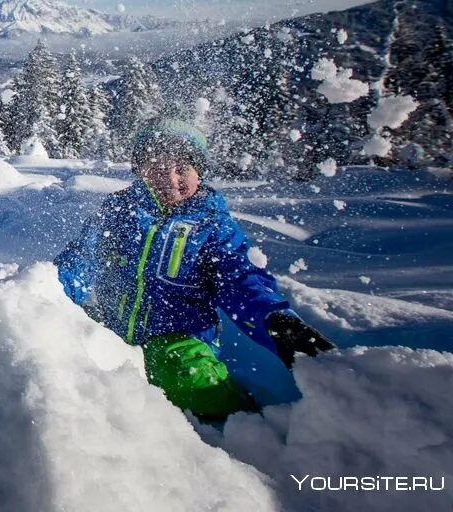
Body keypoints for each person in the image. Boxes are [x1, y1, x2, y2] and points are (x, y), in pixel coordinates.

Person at [56, 118, 333, 420]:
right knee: (65, 350)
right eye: (156, 167)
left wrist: (275, 321)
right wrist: (50, 294)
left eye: (181, 168)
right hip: (111, 328)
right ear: (140, 171)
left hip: (179, 339)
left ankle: (240, 426)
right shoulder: (119, 211)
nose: (169, 178)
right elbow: (81, 259)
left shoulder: (211, 224)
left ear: (199, 172)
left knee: (191, 380)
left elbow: (239, 278)